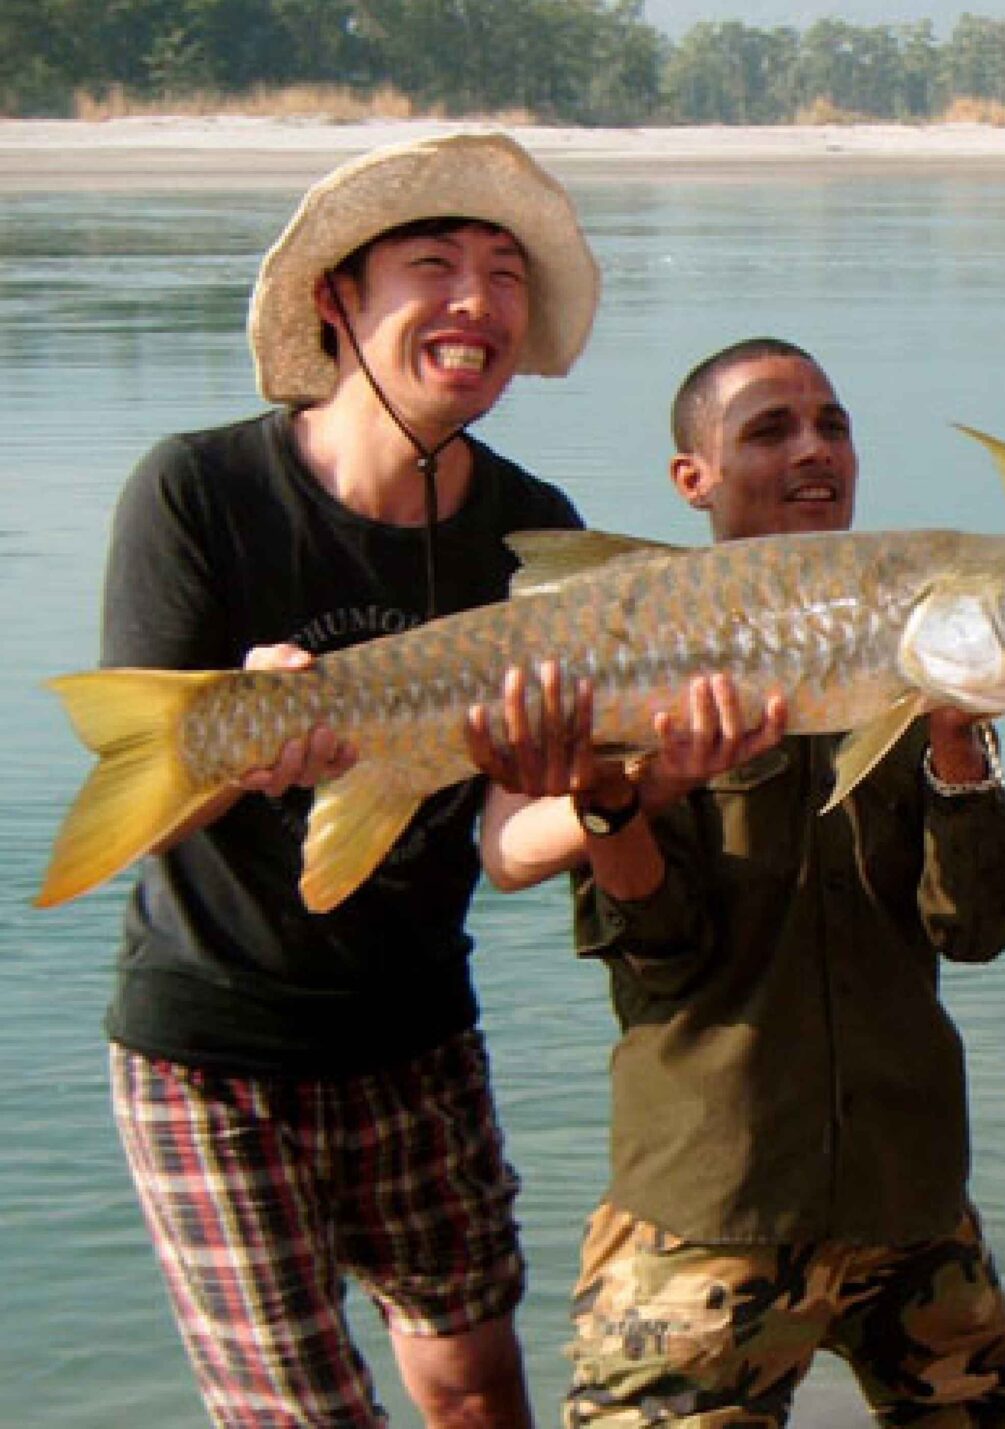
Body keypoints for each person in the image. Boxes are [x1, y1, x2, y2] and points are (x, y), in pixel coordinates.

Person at [98, 132, 600, 1428]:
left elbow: (505, 837)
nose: (477, 304)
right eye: (434, 265)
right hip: (214, 1049)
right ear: (340, 300)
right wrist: (243, 736)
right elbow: (151, 802)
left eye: (503, 274)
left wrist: (601, 794)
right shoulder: (198, 491)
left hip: (420, 1030)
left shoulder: (533, 529)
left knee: (479, 1392)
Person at [475, 337, 1005, 1428]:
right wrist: (628, 795)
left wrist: (956, 749)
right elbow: (663, 948)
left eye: (833, 426)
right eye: (770, 429)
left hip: (909, 1191)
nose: (814, 451)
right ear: (690, 479)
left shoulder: (920, 639)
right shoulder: (628, 648)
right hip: (709, 1199)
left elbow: (975, 928)